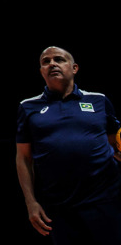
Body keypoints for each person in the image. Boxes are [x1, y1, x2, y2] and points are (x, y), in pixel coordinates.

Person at [16, 46, 121, 243]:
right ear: (41, 72)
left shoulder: (98, 100)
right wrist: (31, 202)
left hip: (104, 200)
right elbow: (23, 157)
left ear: (74, 68)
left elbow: (114, 143)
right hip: (58, 205)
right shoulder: (28, 106)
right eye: (45, 62)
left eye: (59, 59)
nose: (52, 64)